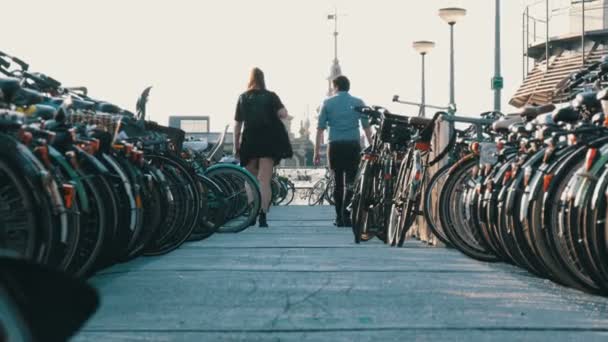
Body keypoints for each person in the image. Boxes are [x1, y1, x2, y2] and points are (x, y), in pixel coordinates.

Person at [234, 67, 293, 227]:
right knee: (264, 181)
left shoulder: (243, 97)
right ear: (263, 79)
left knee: (250, 179)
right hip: (268, 141)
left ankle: (252, 212)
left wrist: (236, 145)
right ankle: (263, 216)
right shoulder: (271, 96)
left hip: (250, 141)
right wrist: (278, 112)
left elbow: (238, 124)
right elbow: (283, 114)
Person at [314, 75, 372, 227]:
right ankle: (347, 215)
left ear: (336, 87)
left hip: (335, 145)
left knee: (337, 182)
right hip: (353, 145)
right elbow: (366, 127)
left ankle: (339, 217)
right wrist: (372, 144)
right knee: (351, 182)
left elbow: (320, 129)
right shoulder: (358, 102)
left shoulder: (327, 103)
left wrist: (316, 151)